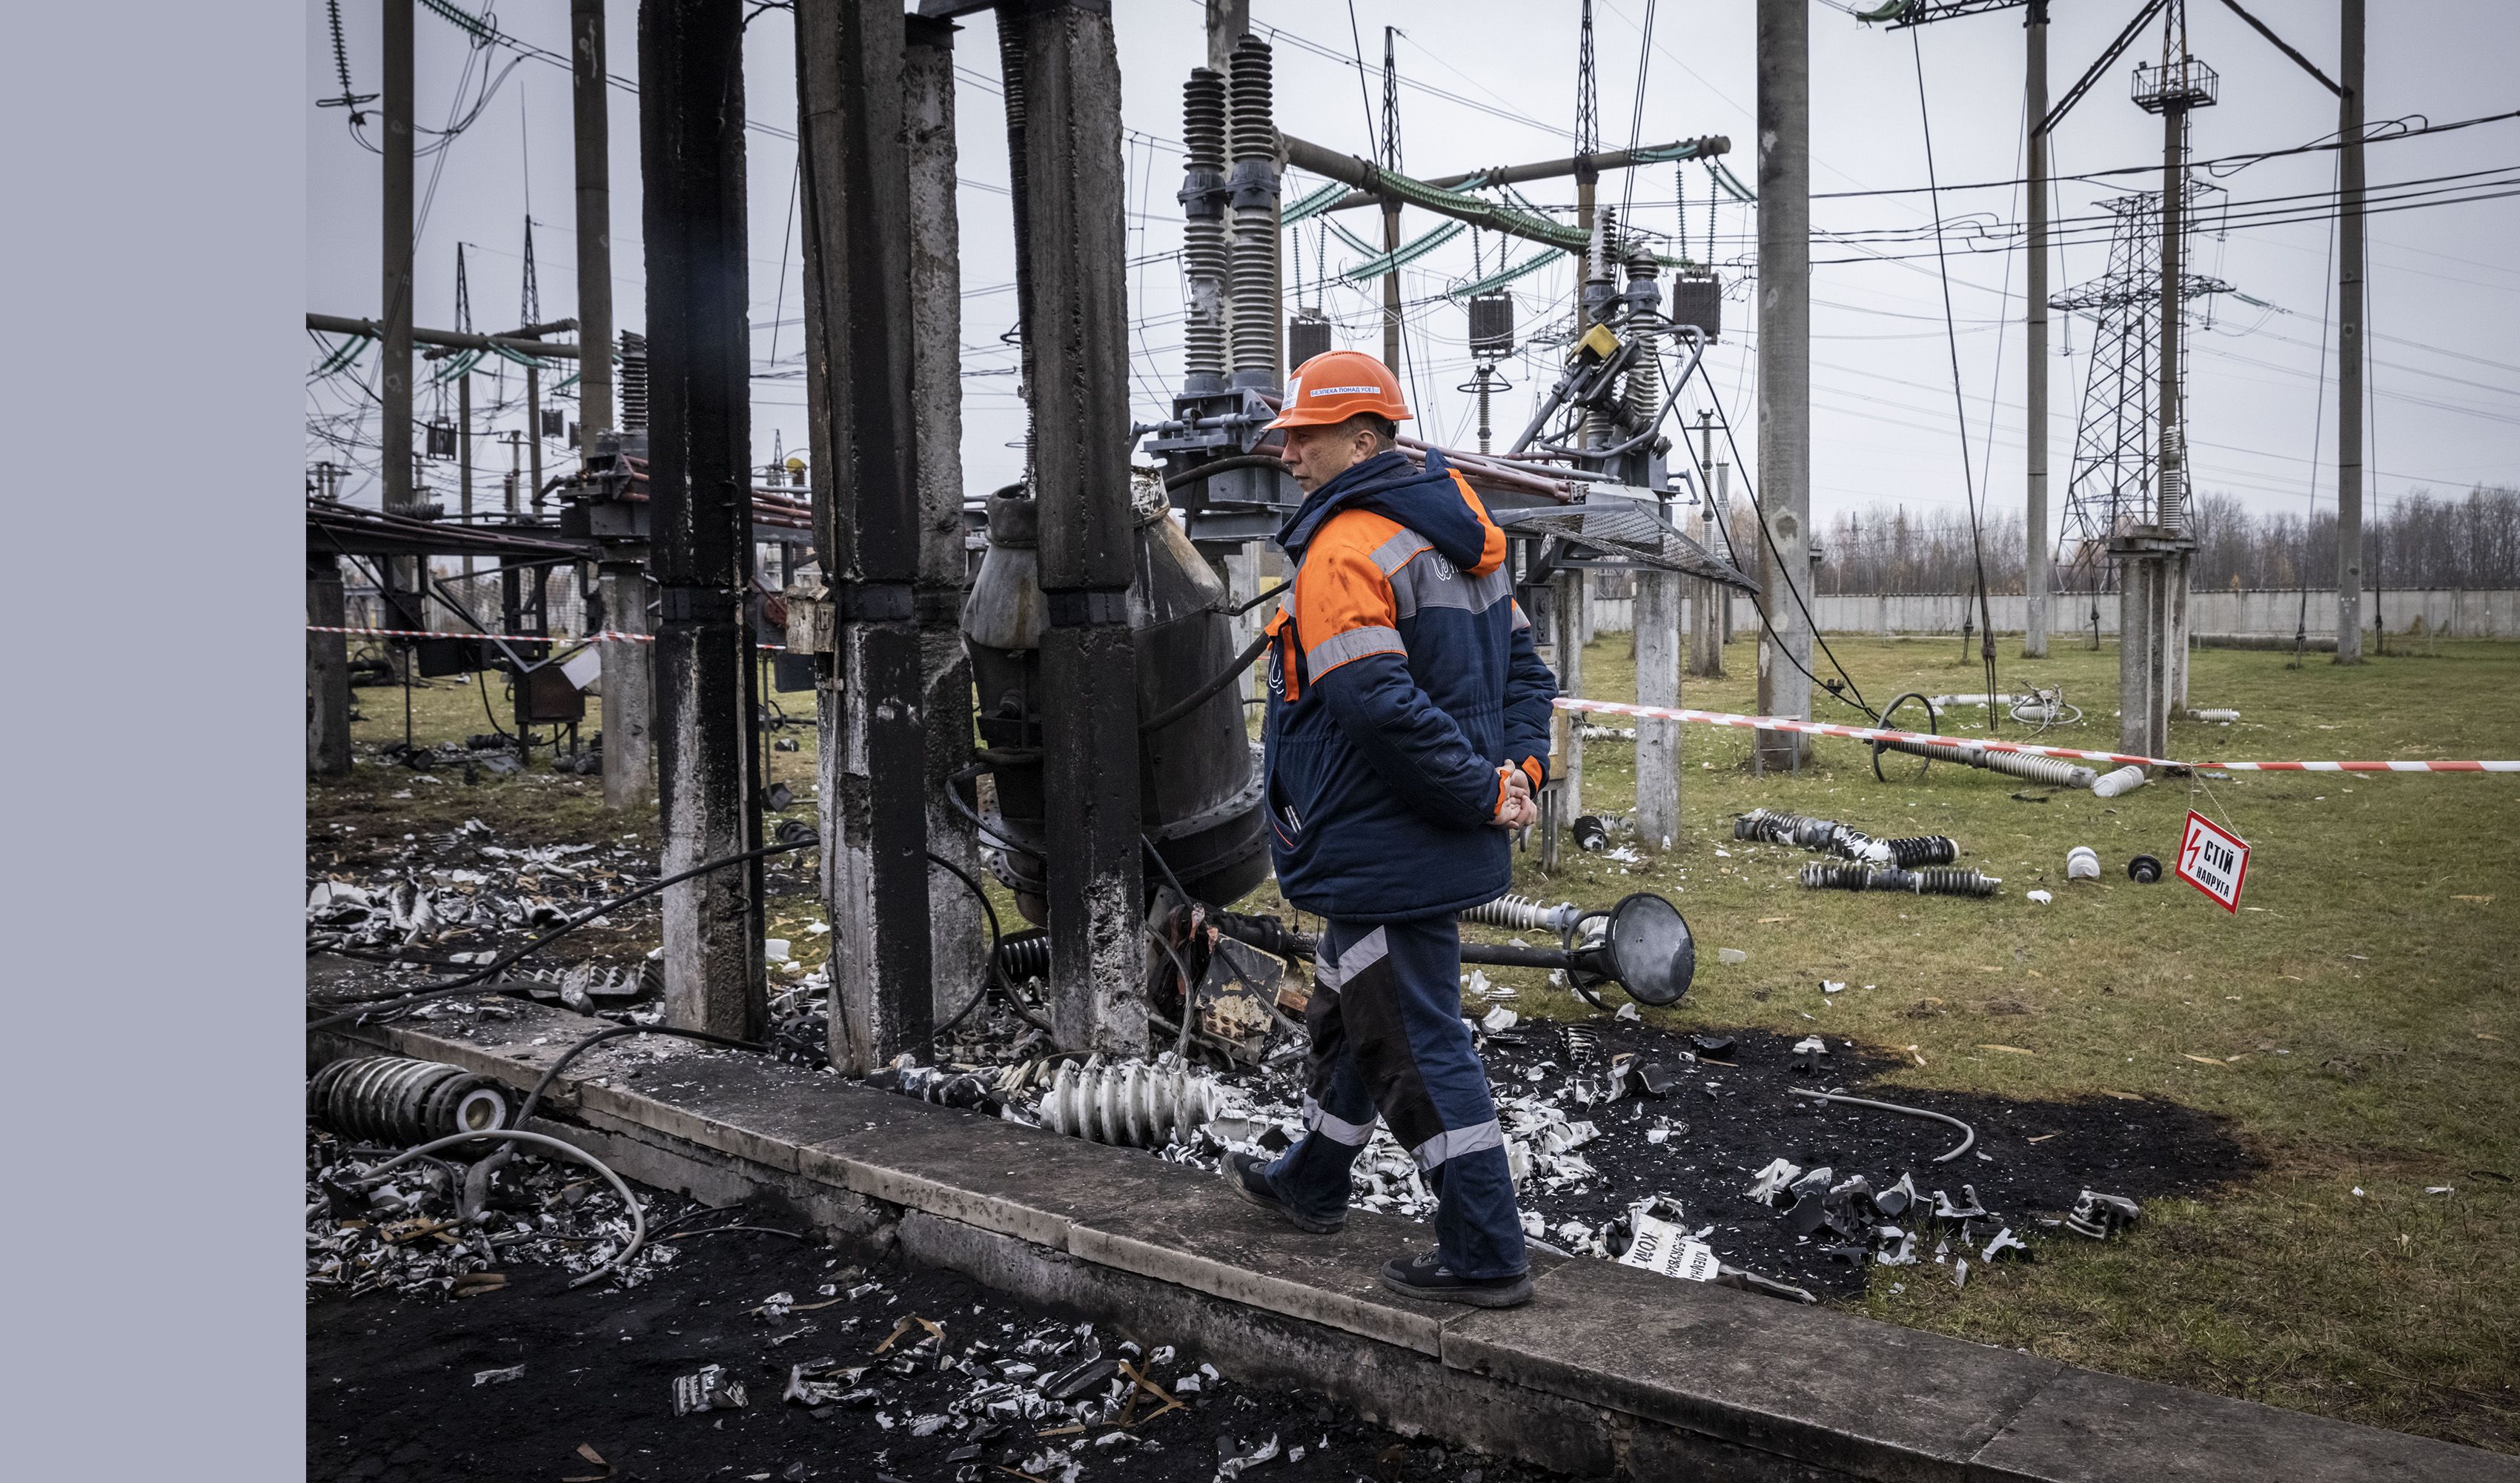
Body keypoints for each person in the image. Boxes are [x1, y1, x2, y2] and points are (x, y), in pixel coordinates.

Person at [1219, 349, 1557, 1308]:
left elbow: (1376, 704)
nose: (1289, 453)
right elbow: (1528, 676)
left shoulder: (1345, 550)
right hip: (1412, 836)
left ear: (1363, 439)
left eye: (1306, 437)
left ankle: (1486, 1248)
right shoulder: (1461, 540)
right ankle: (1315, 1180)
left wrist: (1482, 791)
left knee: (1408, 1038)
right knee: (1344, 1011)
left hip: (1385, 840)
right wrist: (1516, 775)